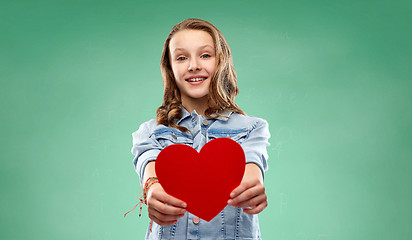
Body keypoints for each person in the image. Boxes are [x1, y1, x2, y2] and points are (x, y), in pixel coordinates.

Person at [131, 18, 270, 240]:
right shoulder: (149, 132)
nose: (193, 65)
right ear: (170, 67)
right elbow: (149, 165)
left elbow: (252, 164)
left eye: (205, 55)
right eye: (181, 57)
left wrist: (252, 186)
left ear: (221, 61)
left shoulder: (253, 128)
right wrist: (153, 188)